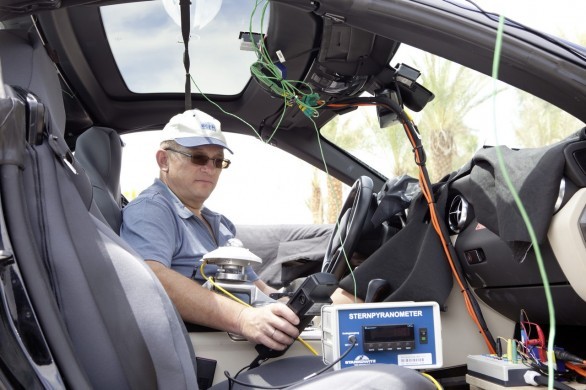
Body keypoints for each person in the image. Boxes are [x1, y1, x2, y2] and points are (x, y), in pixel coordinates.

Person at [120, 109, 300, 350]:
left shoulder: (219, 223)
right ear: (164, 161)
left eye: (218, 161)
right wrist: (242, 318)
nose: (210, 168)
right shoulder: (151, 210)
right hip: (205, 350)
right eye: (198, 157)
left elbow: (256, 286)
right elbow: (151, 278)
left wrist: (283, 300)